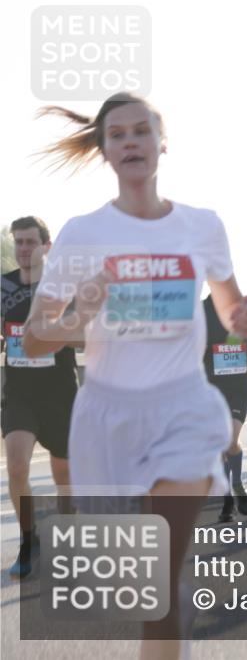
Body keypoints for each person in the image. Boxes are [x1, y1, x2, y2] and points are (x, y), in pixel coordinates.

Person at [25, 93, 247, 657]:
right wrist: (84, 312)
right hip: (107, 416)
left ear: (162, 142)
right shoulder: (83, 234)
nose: (130, 141)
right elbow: (36, 335)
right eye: (117, 134)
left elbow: (229, 311)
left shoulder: (202, 226)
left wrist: (245, 320)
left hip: (183, 408)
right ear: (105, 151)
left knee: (162, 572)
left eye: (141, 131)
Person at [1, 216, 78, 577]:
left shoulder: (63, 287)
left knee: (64, 475)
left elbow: (83, 336)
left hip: (59, 393)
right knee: (16, 465)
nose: (23, 249)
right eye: (18, 242)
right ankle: (29, 540)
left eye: (30, 242)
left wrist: (51, 331)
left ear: (47, 246)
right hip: (19, 394)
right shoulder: (2, 286)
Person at [202, 295, 247, 521]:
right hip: (212, 386)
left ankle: (237, 483)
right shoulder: (200, 310)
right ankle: (227, 499)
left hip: (239, 384)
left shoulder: (243, 305)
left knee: (230, 440)